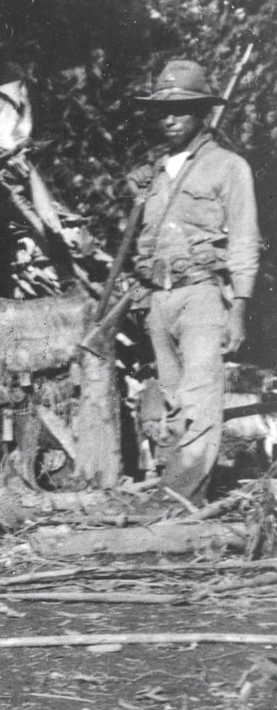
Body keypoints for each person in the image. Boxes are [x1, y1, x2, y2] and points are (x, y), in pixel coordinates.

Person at [129, 59, 262, 502]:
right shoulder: (153, 175)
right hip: (159, 299)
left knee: (201, 400)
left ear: (202, 112)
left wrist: (239, 307)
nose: (169, 119)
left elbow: (244, 240)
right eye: (162, 111)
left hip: (204, 296)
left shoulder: (228, 167)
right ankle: (179, 488)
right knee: (170, 402)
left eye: (181, 110)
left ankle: (180, 498)